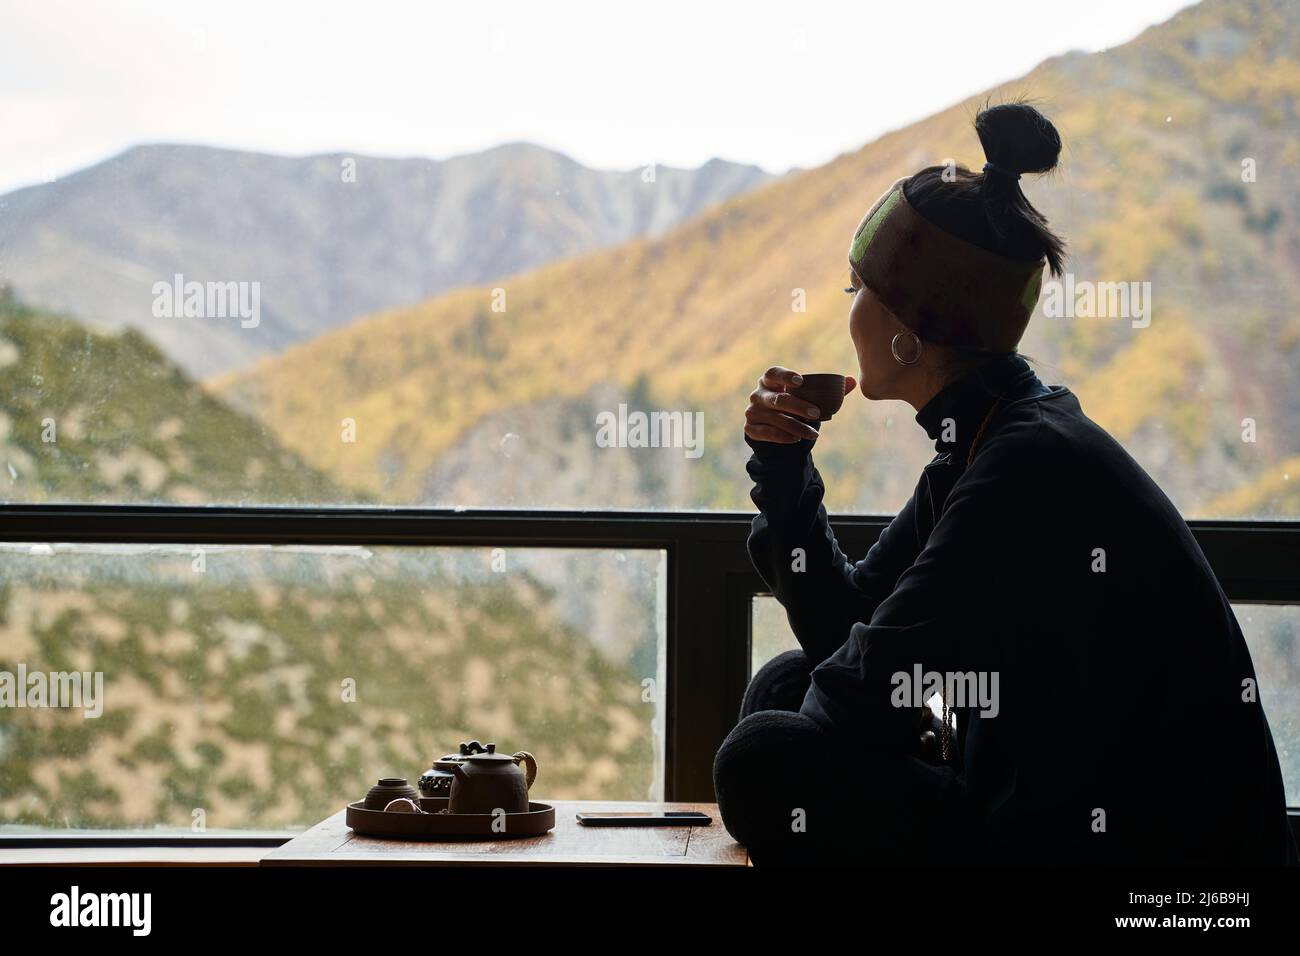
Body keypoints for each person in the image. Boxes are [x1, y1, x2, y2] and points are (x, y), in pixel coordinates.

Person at [713, 102, 1297, 866]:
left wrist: (878, 718)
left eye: (857, 290)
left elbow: (855, 688)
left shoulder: (1024, 469)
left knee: (762, 756)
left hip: (1147, 876)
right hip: (1048, 804)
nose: (846, 309)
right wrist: (785, 467)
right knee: (786, 685)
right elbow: (847, 626)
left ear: (906, 330)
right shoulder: (993, 434)